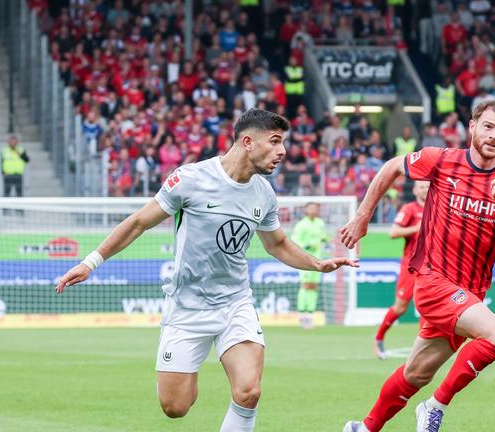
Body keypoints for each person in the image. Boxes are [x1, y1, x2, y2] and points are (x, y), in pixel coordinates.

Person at [55, 109, 358, 432]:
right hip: (187, 306)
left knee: (249, 391)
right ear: (247, 142)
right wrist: (91, 262)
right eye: (274, 141)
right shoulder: (191, 179)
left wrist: (316, 264)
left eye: (282, 142)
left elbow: (278, 244)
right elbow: (139, 222)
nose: (282, 151)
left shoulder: (264, 193)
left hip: (235, 302)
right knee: (175, 407)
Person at [340, 99, 495, 432]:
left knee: (416, 373)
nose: (494, 135)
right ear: (472, 127)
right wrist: (362, 216)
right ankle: (434, 406)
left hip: (469, 293)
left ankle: (364, 428)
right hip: (434, 282)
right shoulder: (443, 160)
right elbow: (392, 167)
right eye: (488, 126)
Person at [374, 180, 429, 359]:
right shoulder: (409, 209)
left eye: (428, 187)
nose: (425, 190)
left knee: (427, 307)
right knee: (400, 307)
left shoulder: (438, 208)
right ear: (415, 190)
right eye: (421, 187)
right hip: (411, 265)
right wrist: (416, 228)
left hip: (432, 266)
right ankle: (379, 337)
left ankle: (422, 348)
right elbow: (393, 232)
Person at [291, 202, 330, 329]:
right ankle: (302, 314)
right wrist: (307, 245)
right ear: (306, 210)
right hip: (305, 259)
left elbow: (324, 237)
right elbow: (295, 240)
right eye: (311, 208)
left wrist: (326, 239)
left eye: (315, 208)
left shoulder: (320, 223)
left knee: (314, 286)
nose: (314, 210)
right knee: (305, 285)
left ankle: (310, 314)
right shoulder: (301, 224)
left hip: (318, 259)